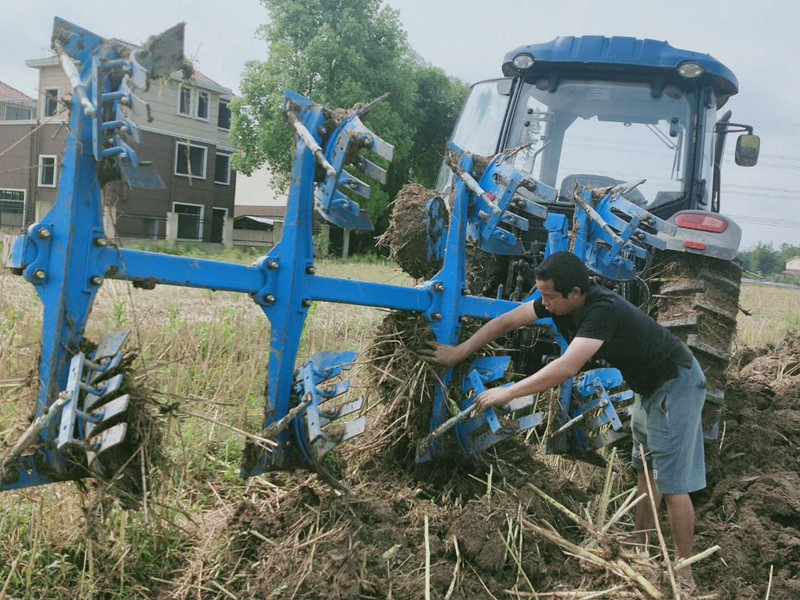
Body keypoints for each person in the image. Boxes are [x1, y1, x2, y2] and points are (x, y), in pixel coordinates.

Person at [421, 251, 706, 588]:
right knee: (644, 467)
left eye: (550, 297)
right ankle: (641, 542)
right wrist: (459, 351)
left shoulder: (601, 310)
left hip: (675, 382)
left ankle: (684, 572)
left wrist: (509, 392)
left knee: (672, 484)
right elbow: (506, 321)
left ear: (575, 293)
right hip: (647, 386)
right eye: (541, 295)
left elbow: (568, 367)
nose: (544, 303)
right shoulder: (558, 301)